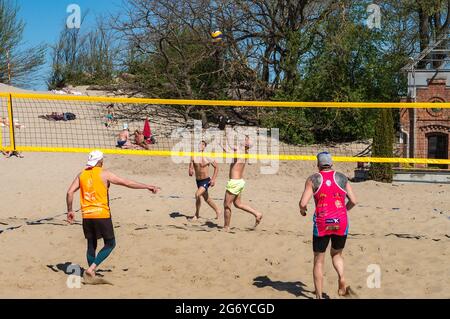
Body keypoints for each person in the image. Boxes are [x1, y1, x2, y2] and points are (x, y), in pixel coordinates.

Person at [66, 150, 160, 283]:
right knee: (110, 243)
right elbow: (126, 182)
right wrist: (147, 186)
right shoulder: (105, 174)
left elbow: (70, 192)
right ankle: (92, 269)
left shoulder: (81, 174)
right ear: (101, 161)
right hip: (102, 214)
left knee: (91, 245)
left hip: (86, 215)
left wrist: (70, 210)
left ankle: (90, 274)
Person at [299, 152, 357, 299]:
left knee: (319, 260)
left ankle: (319, 296)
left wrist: (302, 210)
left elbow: (303, 203)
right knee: (337, 254)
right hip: (341, 221)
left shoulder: (313, 179)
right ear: (331, 164)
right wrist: (344, 210)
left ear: (318, 165)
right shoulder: (342, 178)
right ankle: (342, 277)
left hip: (323, 222)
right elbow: (354, 201)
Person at [221, 130, 263, 232]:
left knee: (227, 205)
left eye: (246, 139)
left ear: (246, 144)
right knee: (238, 204)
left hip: (234, 183)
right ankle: (257, 214)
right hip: (239, 182)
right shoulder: (245, 152)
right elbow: (232, 149)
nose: (244, 139)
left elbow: (228, 150)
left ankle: (226, 227)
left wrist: (222, 141)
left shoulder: (240, 152)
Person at [188, 140, 221, 220]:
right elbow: (190, 168)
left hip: (206, 180)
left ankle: (196, 214)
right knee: (207, 199)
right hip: (198, 181)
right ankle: (218, 210)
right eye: (199, 144)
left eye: (203, 144)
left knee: (197, 194)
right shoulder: (193, 156)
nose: (200, 145)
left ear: (205, 147)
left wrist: (213, 179)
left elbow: (216, 167)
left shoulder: (207, 156)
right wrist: (190, 170)